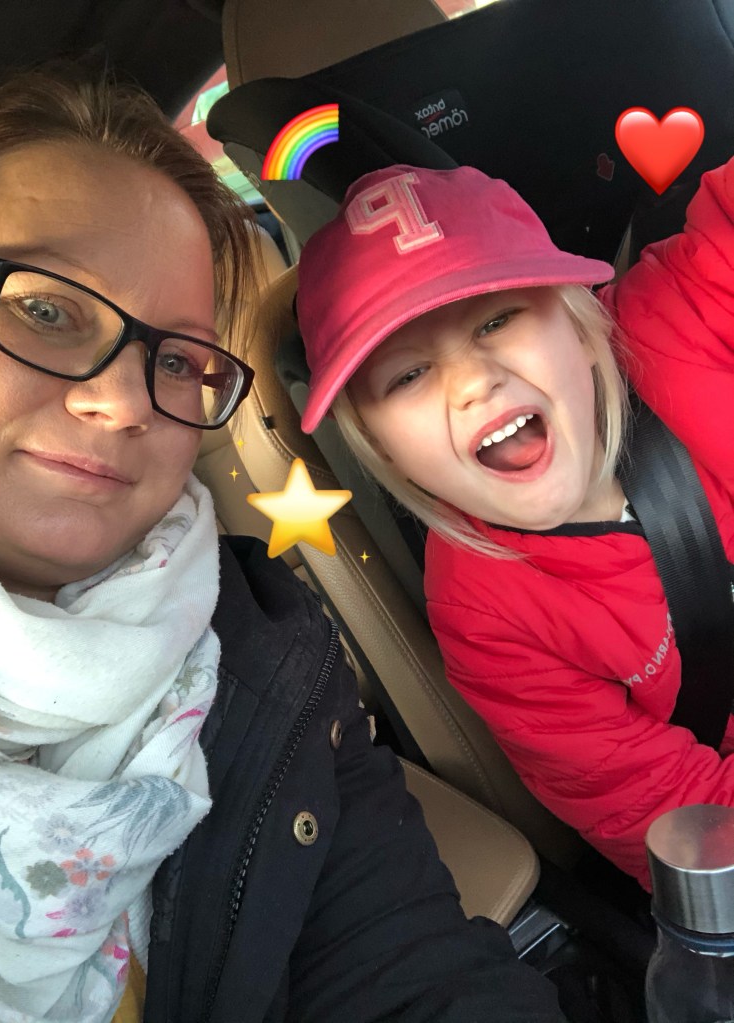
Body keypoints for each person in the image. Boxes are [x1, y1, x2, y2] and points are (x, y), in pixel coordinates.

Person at [0, 66, 567, 1023]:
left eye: (175, 359)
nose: (120, 402)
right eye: (46, 308)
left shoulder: (267, 661)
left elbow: (413, 969)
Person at [295, 160, 734, 892]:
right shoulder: (485, 614)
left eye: (497, 319)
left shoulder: (678, 318)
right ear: (380, 446)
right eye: (407, 375)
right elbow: (667, 813)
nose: (474, 382)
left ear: (580, 323)